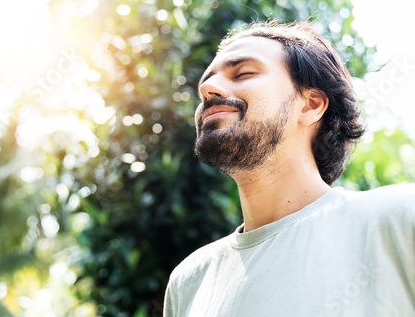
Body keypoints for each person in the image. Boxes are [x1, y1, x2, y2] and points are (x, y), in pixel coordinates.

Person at [163, 21, 415, 316]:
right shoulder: (189, 281)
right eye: (205, 84)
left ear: (310, 105)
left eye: (243, 73)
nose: (207, 88)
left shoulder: (400, 217)